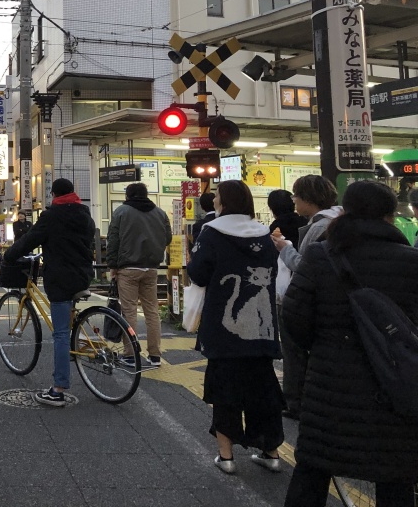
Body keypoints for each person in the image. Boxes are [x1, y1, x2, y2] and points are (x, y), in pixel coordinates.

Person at [282, 180, 418, 507]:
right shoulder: (410, 261)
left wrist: (322, 349)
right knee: (395, 477)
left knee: (312, 474)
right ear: (390, 215)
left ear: (346, 211)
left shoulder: (320, 256)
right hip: (394, 387)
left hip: (330, 389)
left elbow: (294, 319)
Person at [188, 179, 283, 476]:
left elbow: (199, 274)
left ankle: (226, 456)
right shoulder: (264, 235)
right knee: (263, 389)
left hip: (224, 329)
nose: (214, 199)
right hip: (262, 330)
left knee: (225, 389)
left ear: (224, 201)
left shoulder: (212, 232)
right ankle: (271, 451)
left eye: (216, 195)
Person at [3, 178, 96, 407]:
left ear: (54, 194)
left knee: (61, 334)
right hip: (83, 275)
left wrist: (8, 256)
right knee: (68, 328)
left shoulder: (52, 216)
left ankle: (58, 390)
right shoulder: (85, 215)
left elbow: (29, 241)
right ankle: (81, 344)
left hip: (61, 279)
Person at [270, 174, 339, 419]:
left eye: (297, 196)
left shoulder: (320, 225)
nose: (295, 201)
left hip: (306, 300)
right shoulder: (338, 219)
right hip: (331, 300)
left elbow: (305, 266)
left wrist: (284, 249)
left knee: (294, 351)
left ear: (309, 198)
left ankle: (295, 401)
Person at [106, 182, 172, 367]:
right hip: (151, 268)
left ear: (128, 195)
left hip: (128, 269)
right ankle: (155, 356)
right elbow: (167, 237)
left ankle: (129, 354)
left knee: (129, 312)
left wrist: (112, 265)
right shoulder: (160, 213)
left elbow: (113, 240)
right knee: (152, 312)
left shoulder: (121, 212)